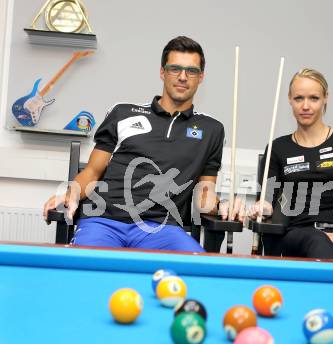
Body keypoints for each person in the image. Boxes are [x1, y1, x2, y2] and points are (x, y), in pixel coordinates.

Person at [43, 36, 236, 252]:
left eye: (191, 71)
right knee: (85, 272)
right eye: (175, 69)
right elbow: (92, 172)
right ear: (162, 72)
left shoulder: (212, 129)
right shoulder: (123, 113)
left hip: (162, 229)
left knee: (201, 273)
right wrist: (73, 193)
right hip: (104, 220)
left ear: (201, 77)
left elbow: (205, 196)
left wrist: (223, 205)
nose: (183, 77)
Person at [249, 68, 333, 260]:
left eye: (313, 98)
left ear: (325, 98)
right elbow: (268, 201)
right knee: (317, 241)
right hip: (298, 234)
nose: (305, 106)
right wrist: (260, 207)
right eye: (298, 98)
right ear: (289, 99)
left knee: (324, 245)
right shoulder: (278, 147)